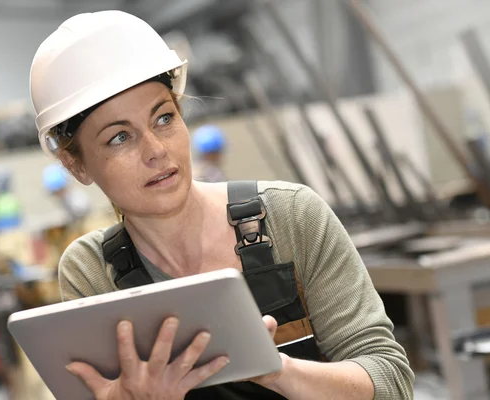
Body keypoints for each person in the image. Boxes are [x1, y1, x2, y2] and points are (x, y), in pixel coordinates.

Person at [29, 10, 414, 400]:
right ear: (76, 165)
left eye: (163, 118)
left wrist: (278, 370)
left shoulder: (292, 217)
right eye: (119, 138)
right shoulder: (94, 271)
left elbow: (390, 382)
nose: (156, 150)